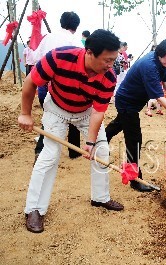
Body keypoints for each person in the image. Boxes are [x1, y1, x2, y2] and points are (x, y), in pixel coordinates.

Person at [18, 29, 124, 233]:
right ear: (90, 52)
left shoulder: (109, 77)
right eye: (107, 60)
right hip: (57, 108)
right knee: (50, 155)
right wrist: (25, 113)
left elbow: (97, 113)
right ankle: (34, 209)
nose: (111, 65)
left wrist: (91, 142)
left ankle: (100, 198)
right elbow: (31, 82)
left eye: (113, 60)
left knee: (101, 150)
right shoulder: (59, 57)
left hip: (86, 112)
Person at [105, 38, 166, 192]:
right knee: (134, 140)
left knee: (119, 124)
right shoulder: (150, 65)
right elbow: (160, 97)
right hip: (127, 102)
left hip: (134, 102)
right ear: (161, 51)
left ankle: (101, 139)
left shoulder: (162, 63)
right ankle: (135, 179)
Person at [32, 11, 83, 162]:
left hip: (44, 85)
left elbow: (35, 59)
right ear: (76, 26)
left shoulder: (47, 38)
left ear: (61, 23)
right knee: (74, 116)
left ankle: (41, 151)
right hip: (65, 87)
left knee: (49, 118)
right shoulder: (75, 41)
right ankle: (74, 151)